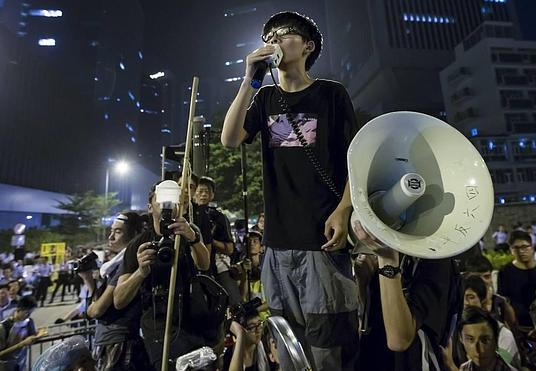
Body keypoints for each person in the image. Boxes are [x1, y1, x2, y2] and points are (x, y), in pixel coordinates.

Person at [221, 11, 360, 371]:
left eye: (283, 34)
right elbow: (230, 138)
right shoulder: (265, 97)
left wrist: (343, 209)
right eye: (269, 36)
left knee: (329, 346)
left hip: (322, 244)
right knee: (289, 347)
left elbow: (355, 162)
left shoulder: (331, 94)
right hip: (277, 246)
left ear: (307, 46)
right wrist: (248, 79)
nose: (274, 40)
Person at [114, 180, 211, 369]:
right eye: (162, 199)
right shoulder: (138, 244)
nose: (168, 205)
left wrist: (192, 239)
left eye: (173, 199)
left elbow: (204, 264)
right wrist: (141, 272)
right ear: (150, 207)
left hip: (194, 321)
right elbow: (119, 299)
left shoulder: (190, 232)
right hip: (160, 328)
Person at [351, 218, 459, 370]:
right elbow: (369, 320)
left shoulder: (434, 260)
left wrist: (388, 261)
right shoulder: (381, 252)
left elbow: (399, 340)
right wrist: (363, 282)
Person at [87, 212, 150, 371]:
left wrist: (91, 308)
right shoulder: (113, 265)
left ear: (135, 234)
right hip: (109, 341)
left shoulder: (125, 265)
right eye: (111, 230)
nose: (111, 237)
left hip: (118, 345)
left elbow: (97, 310)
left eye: (118, 231)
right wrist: (87, 278)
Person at [497, 230, 536, 329]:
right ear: (511, 250)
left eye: (525, 247)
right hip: (520, 325)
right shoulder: (505, 272)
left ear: (532, 247)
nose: (521, 251)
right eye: (516, 248)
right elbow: (504, 301)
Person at [195, 176, 240, 306]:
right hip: (191, 265)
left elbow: (230, 249)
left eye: (207, 191)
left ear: (212, 195)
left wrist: (209, 239)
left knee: (235, 303)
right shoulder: (187, 213)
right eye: (200, 190)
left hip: (217, 266)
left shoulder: (219, 217)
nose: (203, 194)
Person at [442, 306, 517, 371]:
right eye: (470, 339)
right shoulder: (465, 368)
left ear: (496, 339)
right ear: (461, 339)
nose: (478, 349)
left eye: (485, 340)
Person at [0, 295, 45, 371]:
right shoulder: (2, 328)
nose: (28, 316)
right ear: (18, 310)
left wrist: (39, 334)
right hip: (1, 367)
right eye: (27, 313)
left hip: (19, 365)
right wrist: (22, 343)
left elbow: (33, 335)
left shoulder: (29, 322)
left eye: (30, 313)